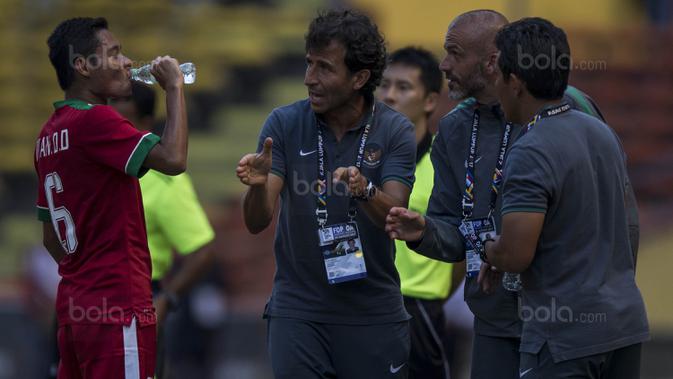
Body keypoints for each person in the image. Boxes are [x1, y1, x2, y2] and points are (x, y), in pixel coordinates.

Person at [383, 10, 641, 379]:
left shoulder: (568, 109)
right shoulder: (455, 129)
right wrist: (425, 232)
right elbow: (454, 230)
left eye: (455, 53)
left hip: (568, 321)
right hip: (498, 321)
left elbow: (620, 209)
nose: (444, 64)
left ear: (493, 62)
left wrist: (612, 283)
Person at [235, 9, 416, 379]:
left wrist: (364, 189)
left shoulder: (395, 130)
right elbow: (257, 221)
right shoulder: (283, 124)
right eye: (308, 64)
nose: (309, 79)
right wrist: (256, 188)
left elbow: (396, 217)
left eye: (324, 68)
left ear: (359, 78)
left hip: (373, 314)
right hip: (298, 311)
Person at [479, 17, 649, 378]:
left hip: (564, 337)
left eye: (498, 75)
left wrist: (489, 250)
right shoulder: (600, 132)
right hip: (624, 324)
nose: (493, 84)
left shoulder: (531, 148)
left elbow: (516, 254)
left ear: (515, 82)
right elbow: (630, 223)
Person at [36, 17, 188, 379]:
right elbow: (174, 159)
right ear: (83, 66)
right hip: (117, 305)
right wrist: (175, 89)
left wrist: (85, 273)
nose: (126, 63)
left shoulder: (47, 135)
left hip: (75, 308)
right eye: (115, 53)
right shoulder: (96, 121)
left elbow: (49, 238)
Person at [110, 81, 215, 378]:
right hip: (86, 295)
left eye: (123, 123)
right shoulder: (95, 168)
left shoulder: (164, 180)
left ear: (144, 125)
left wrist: (166, 300)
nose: (113, 132)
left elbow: (202, 251)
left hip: (137, 300)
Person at [378, 47, 460, 379]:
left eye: (403, 87)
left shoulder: (447, 162)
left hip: (418, 308)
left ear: (430, 101)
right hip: (361, 303)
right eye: (384, 85)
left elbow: (461, 245)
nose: (389, 96)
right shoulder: (360, 157)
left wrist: (435, 294)